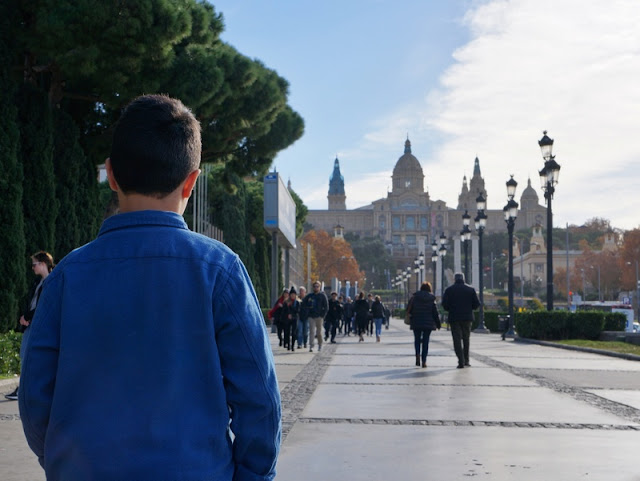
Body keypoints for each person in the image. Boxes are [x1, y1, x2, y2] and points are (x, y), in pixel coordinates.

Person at [18, 94, 281, 480]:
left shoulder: (68, 275)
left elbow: (35, 394)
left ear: (112, 175)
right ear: (191, 182)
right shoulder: (220, 270)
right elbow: (258, 398)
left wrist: (67, 460)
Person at [4, 251, 54, 401]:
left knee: (29, 357)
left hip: (39, 325)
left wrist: (27, 317)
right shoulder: (38, 282)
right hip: (32, 324)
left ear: (43, 264)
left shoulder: (51, 282)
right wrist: (24, 317)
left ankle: (24, 390)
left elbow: (44, 306)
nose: (32, 268)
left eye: (34, 264)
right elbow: (32, 303)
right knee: (26, 356)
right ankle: (28, 389)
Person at [442, 272, 480, 369]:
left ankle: (461, 360)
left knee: (457, 339)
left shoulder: (449, 290)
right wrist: (469, 308)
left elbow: (445, 305)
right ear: (463, 279)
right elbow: (476, 304)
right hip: (467, 318)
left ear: (454, 279)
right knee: (466, 339)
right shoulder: (470, 290)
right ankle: (466, 359)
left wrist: (451, 308)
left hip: (454, 318)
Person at [407, 282, 440, 368]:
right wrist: (438, 323)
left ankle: (417, 355)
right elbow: (435, 312)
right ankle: (424, 360)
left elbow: (408, 309)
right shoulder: (432, 298)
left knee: (417, 340)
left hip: (416, 321)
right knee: (426, 341)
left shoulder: (414, 297)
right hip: (428, 323)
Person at [302, 281, 328, 352]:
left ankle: (320, 344)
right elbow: (303, 303)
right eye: (314, 286)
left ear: (319, 287)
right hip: (311, 316)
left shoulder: (322, 296)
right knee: (311, 331)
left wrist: (323, 315)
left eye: (317, 286)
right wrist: (307, 312)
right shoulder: (310, 296)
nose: (316, 288)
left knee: (319, 332)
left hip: (319, 316)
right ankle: (311, 345)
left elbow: (326, 306)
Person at [282, 287, 300, 351]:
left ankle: (292, 345)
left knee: (293, 333)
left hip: (294, 319)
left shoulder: (297, 302)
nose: (293, 296)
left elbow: (297, 311)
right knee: (287, 332)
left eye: (294, 294)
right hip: (287, 319)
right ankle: (288, 345)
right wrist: (287, 315)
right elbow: (283, 311)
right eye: (291, 294)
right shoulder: (285, 302)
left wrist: (291, 307)